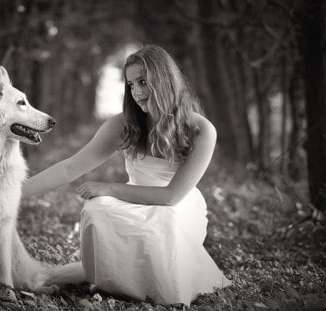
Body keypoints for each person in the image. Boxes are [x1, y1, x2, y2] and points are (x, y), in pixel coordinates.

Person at [23, 45, 231, 306]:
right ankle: (113, 280)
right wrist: (13, 193)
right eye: (131, 84)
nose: (137, 92)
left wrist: (109, 188)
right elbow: (70, 167)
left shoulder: (202, 130)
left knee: (163, 221)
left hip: (179, 203)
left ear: (164, 79)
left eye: (143, 81)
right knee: (97, 209)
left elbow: (170, 196)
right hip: (133, 198)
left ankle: (161, 288)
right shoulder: (124, 124)